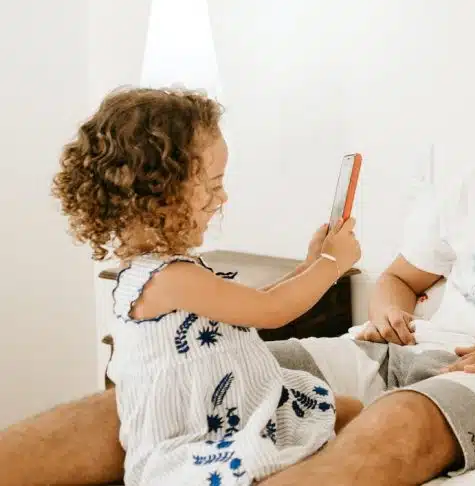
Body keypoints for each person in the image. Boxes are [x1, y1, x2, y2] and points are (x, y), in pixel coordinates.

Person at [0, 16, 475, 486]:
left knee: (397, 424)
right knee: (180, 390)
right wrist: (389, 304)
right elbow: (401, 278)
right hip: (383, 350)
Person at [49, 87, 365, 485]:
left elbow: (252, 303)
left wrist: (309, 266)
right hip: (206, 435)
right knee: (339, 425)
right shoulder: (169, 279)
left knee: (348, 410)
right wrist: (333, 265)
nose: (223, 196)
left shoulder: (166, 270)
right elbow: (271, 313)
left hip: (236, 409)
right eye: (214, 185)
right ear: (158, 193)